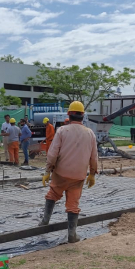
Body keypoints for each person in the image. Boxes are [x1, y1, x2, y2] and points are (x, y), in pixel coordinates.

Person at [39, 101, 98, 243]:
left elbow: (52, 154)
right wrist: (92, 174)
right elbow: (94, 157)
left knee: (53, 194)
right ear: (82, 115)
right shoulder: (90, 133)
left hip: (61, 173)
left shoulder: (62, 131)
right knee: (73, 204)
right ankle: (72, 234)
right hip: (78, 176)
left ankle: (45, 221)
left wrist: (47, 170)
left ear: (69, 115)